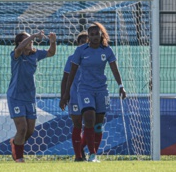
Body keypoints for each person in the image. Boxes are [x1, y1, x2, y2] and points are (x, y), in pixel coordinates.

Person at [59, 22, 126, 163]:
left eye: (97, 34)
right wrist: (66, 94)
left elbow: (114, 68)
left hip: (101, 90)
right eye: (92, 34)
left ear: (102, 34)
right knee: (88, 119)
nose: (95, 36)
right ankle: (92, 154)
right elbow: (71, 73)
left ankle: (86, 150)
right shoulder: (81, 51)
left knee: (98, 124)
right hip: (84, 90)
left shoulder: (107, 50)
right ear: (88, 36)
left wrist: (121, 86)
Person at [7, 31, 57, 162]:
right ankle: (19, 158)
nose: (31, 42)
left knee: (29, 131)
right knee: (22, 129)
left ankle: (15, 143)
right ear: (20, 43)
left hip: (29, 97)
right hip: (15, 97)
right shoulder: (15, 55)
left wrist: (53, 42)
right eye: (27, 40)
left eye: (32, 41)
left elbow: (51, 53)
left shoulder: (35, 54)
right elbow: (19, 49)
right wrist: (33, 36)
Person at [60, 31, 89, 162]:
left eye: (87, 42)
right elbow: (65, 79)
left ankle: (81, 148)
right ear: (78, 44)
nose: (84, 44)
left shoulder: (94, 58)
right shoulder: (71, 58)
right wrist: (63, 97)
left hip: (90, 95)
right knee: (77, 124)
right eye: (82, 42)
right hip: (75, 97)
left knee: (91, 125)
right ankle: (78, 156)